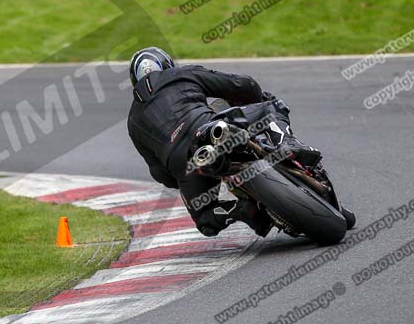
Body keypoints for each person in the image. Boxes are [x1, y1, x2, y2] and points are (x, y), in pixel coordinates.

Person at [126, 47, 345, 238]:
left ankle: (241, 210)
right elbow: (241, 84)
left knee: (206, 220)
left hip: (186, 164)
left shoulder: (133, 121)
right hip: (207, 127)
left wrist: (183, 178)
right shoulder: (181, 73)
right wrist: (257, 97)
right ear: (166, 64)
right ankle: (286, 144)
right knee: (273, 106)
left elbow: (158, 173)